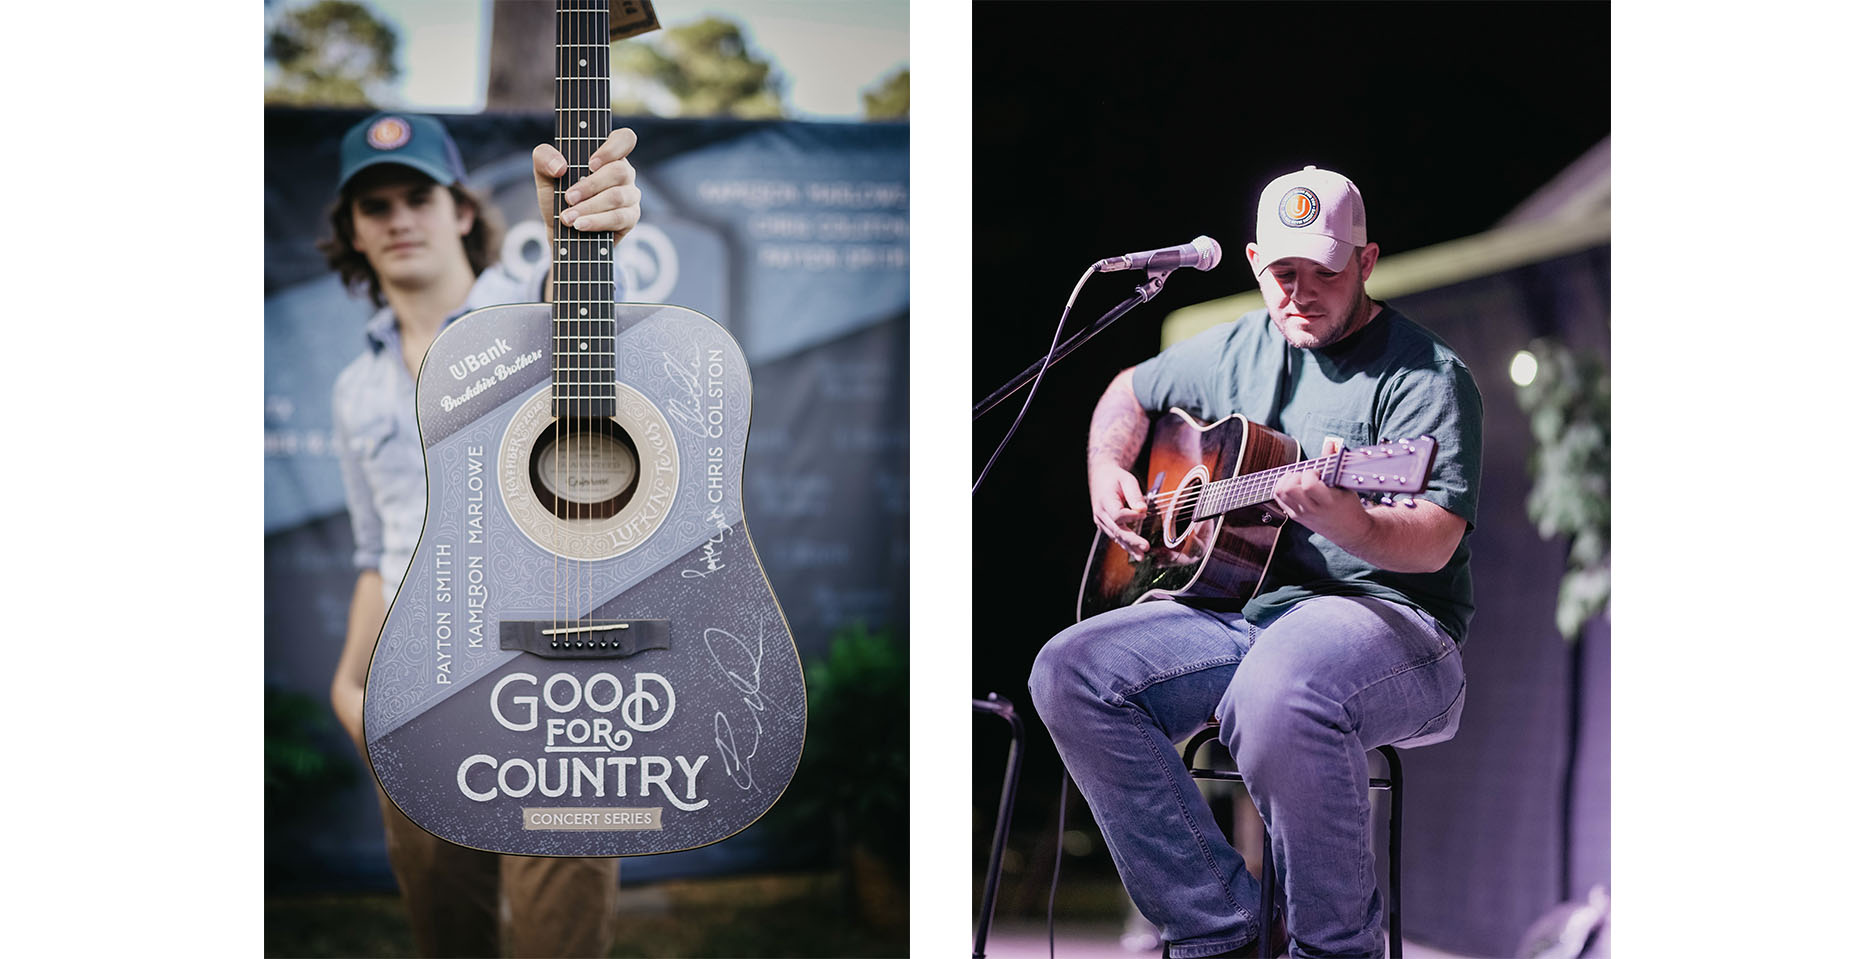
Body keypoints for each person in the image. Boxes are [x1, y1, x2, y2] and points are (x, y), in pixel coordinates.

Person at [1029, 166, 1482, 959]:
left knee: (1279, 688)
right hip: (1239, 612)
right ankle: (1218, 931)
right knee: (1069, 670)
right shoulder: (1235, 345)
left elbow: (1435, 534)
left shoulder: (1427, 375)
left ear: (1367, 260)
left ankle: (1332, 949)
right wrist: (1109, 473)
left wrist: (1351, 522)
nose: (1299, 293)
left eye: (1324, 273)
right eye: (1282, 273)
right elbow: (1124, 394)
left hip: (1395, 626)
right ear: (1250, 262)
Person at [323, 111, 641, 958]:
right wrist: (349, 687)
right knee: (446, 938)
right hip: (414, 688)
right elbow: (374, 552)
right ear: (352, 232)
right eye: (374, 204)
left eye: (417, 196)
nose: (397, 218)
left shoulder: (531, 310)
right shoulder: (354, 388)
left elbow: (576, 321)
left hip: (554, 674)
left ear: (460, 209)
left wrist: (575, 233)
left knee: (557, 942)